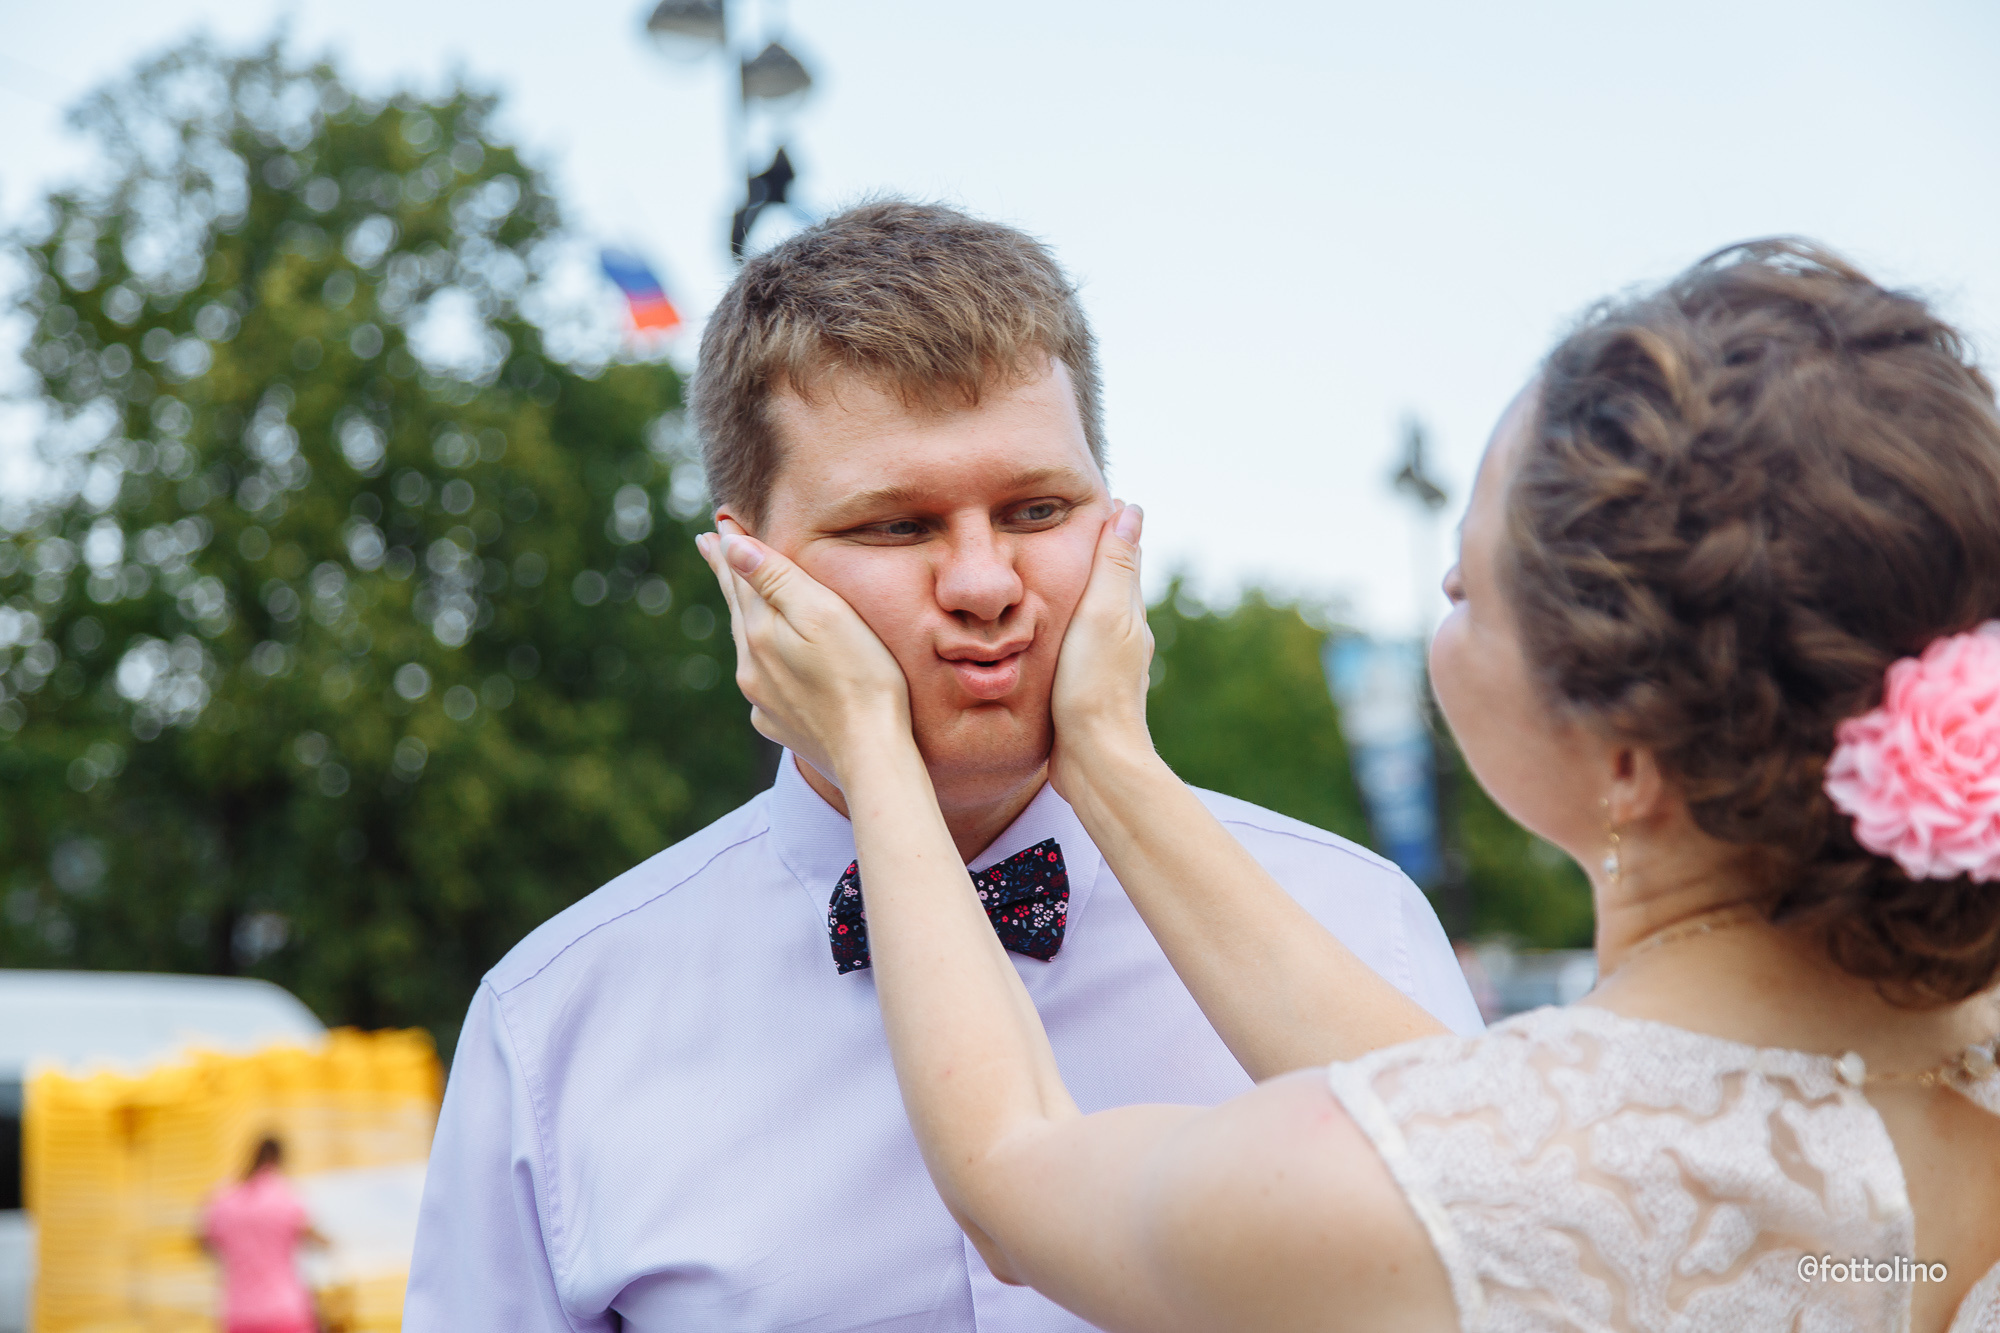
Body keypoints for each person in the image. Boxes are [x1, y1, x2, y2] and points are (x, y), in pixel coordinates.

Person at [703, 240, 2000, 1332]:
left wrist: (873, 743)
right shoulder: (1926, 1126)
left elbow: (1010, 1166)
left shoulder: (1419, 1184)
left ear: (1625, 757)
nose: (1440, 594)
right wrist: (1105, 753)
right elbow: (1501, 1164)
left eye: (1473, 584)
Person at [403, 201, 1481, 1330]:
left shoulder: (1360, 923)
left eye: (1036, 508)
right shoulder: (556, 1021)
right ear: (745, 571)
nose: (982, 582)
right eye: (895, 526)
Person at [199, 1136, 326, 1333]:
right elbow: (316, 1238)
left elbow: (203, 1242)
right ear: (279, 1159)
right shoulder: (285, 1197)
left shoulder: (224, 1200)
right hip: (285, 1310)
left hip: (240, 1313)